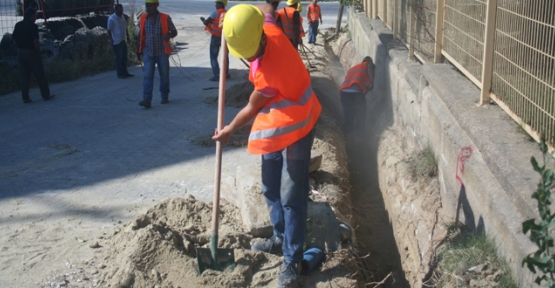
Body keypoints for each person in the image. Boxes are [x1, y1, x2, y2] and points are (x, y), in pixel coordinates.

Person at [215, 4, 322, 287]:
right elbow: (265, 9)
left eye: (248, 54)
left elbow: (251, 108)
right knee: (269, 184)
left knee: (291, 194)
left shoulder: (272, 70)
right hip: (277, 118)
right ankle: (278, 236)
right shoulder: (266, 26)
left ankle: (292, 259)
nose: (247, 58)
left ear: (259, 41)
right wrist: (232, 23)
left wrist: (228, 130)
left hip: (298, 122)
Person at [137, 0, 177, 108]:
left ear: (156, 5)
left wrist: (169, 35)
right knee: (147, 76)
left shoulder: (165, 18)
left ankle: (164, 96)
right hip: (148, 52)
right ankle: (147, 99)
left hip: (162, 52)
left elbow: (174, 31)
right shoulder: (143, 18)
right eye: (147, 5)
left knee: (164, 75)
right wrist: (139, 50)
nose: (148, 8)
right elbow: (140, 34)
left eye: (150, 5)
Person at [12, 7, 56, 104]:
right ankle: (45, 94)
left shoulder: (18, 25)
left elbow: (14, 38)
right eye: (36, 15)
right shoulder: (33, 26)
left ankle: (25, 97)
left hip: (20, 52)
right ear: (31, 16)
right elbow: (35, 41)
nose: (36, 17)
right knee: (39, 73)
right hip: (31, 52)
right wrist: (38, 51)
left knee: (24, 75)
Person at [339, 56, 375, 135]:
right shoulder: (368, 64)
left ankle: (348, 140)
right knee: (360, 117)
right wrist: (372, 82)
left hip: (344, 94)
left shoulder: (353, 68)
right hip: (356, 95)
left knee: (348, 118)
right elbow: (370, 67)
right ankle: (359, 139)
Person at [201, 0, 229, 82]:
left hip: (216, 38)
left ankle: (217, 75)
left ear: (221, 4)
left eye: (217, 3)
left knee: (213, 57)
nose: (216, 5)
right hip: (224, 38)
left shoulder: (215, 13)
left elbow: (206, 22)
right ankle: (225, 74)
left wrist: (203, 20)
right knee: (225, 57)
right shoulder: (227, 13)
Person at [107, 4, 134, 79]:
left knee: (124, 58)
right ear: (116, 10)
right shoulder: (112, 19)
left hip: (123, 40)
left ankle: (125, 72)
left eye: (122, 10)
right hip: (116, 42)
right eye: (120, 10)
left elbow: (125, 27)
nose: (121, 11)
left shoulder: (122, 17)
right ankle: (120, 74)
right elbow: (109, 30)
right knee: (118, 58)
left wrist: (128, 36)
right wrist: (110, 39)